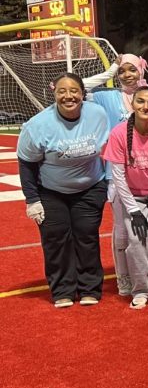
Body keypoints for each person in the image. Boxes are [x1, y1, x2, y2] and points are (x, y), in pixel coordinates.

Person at [17, 73, 110, 307]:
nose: (68, 96)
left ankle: (89, 287)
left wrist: (108, 183)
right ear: (54, 94)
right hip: (51, 191)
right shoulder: (38, 125)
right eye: (62, 91)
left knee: (86, 235)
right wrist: (32, 199)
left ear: (82, 93)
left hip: (90, 187)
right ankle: (62, 290)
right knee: (55, 239)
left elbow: (109, 148)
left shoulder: (97, 114)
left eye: (74, 91)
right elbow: (26, 163)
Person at [103, 86, 148, 309]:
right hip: (132, 197)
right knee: (135, 241)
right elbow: (118, 177)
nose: (146, 107)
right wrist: (134, 211)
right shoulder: (118, 133)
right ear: (133, 104)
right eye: (141, 101)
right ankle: (142, 288)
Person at [85, 52, 148, 296]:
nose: (127, 75)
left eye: (132, 69)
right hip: (117, 175)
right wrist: (111, 71)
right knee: (123, 230)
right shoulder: (106, 97)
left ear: (141, 71)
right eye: (123, 71)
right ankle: (124, 277)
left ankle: (147, 275)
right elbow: (78, 87)